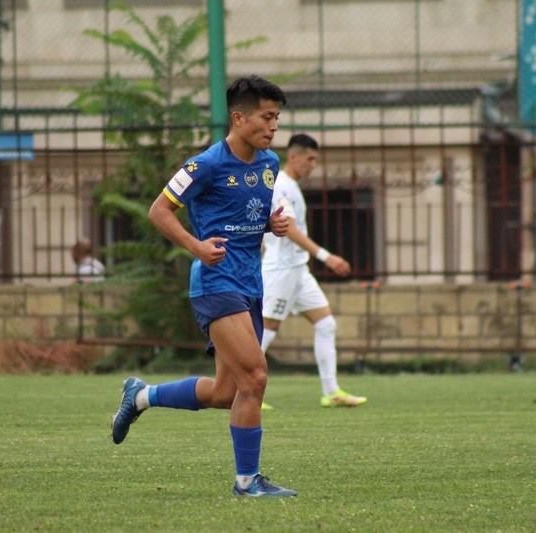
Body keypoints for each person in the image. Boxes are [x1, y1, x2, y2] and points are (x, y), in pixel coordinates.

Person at [111, 75, 297, 497]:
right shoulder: (205, 164)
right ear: (239, 118)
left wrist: (270, 225)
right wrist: (196, 246)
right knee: (255, 377)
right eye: (266, 117)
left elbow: (247, 215)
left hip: (250, 283)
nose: (273, 127)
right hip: (216, 282)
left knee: (226, 391)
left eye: (277, 118)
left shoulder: (269, 164)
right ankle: (247, 482)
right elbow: (159, 211)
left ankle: (141, 396)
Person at [260, 133, 367, 408]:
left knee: (325, 323)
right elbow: (289, 229)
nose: (313, 165)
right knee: (266, 329)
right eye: (310, 159)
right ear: (293, 156)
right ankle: (242, 393)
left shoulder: (292, 186)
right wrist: (325, 256)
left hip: (298, 270)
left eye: (316, 160)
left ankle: (331, 392)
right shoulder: (282, 185)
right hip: (281, 270)